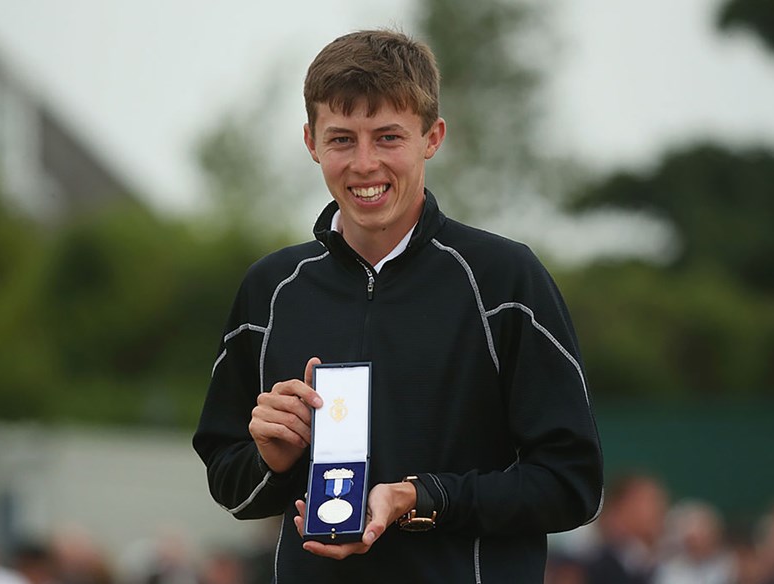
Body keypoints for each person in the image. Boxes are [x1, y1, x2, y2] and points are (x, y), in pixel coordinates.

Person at [192, 29, 603, 583]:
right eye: (342, 139)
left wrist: (421, 498)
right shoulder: (270, 290)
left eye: (388, 137)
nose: (365, 164)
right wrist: (272, 458)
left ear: (432, 137)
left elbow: (572, 485)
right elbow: (231, 487)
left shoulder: (505, 282)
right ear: (311, 142)